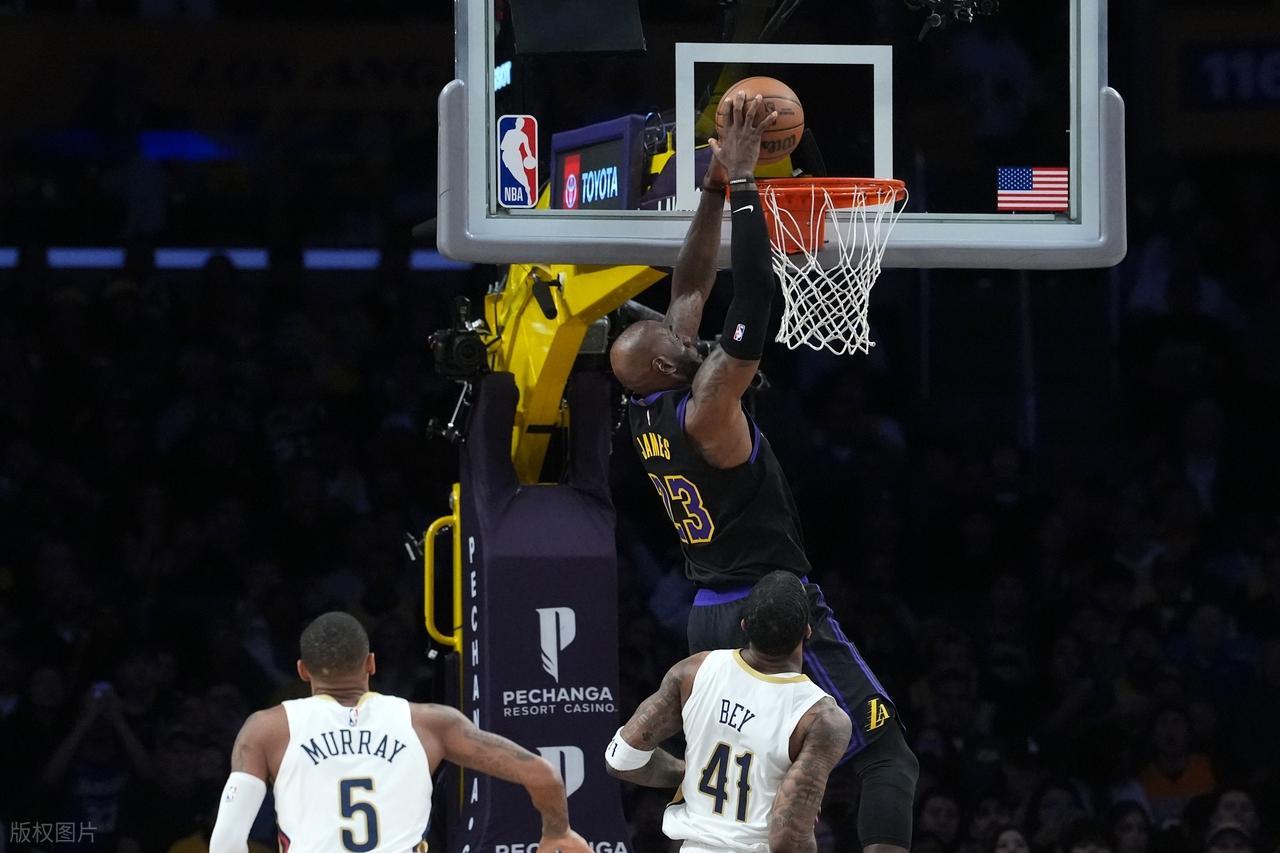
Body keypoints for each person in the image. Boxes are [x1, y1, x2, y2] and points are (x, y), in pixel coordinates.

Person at [608, 90, 918, 851]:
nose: (682, 331)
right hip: (765, 603)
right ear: (664, 364)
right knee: (887, 758)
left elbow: (690, 286)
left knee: (755, 783)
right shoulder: (706, 408)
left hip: (708, 614)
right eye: (671, 338)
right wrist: (747, 181)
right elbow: (754, 296)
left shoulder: (652, 402)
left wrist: (714, 191)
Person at [208, 611, 589, 853]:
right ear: (371, 664)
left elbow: (226, 841)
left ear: (303, 671)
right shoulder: (430, 723)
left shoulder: (267, 729)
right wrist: (557, 831)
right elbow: (542, 773)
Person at [604, 571, 852, 852]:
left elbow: (621, 760)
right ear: (807, 631)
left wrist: (689, 773)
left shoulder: (694, 671)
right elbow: (788, 839)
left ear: (744, 625)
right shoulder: (821, 718)